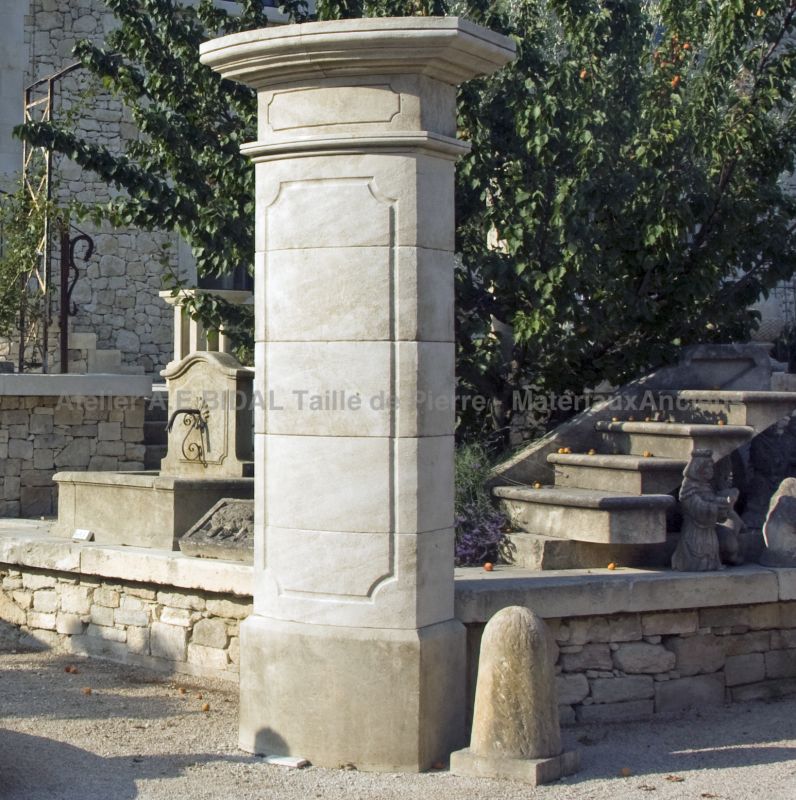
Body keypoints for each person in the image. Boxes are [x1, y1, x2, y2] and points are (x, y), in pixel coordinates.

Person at [672, 449, 736, 571]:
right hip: (694, 530)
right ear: (698, 469)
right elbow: (696, 506)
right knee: (697, 550)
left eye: (711, 467)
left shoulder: (706, 486)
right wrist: (715, 507)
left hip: (708, 530)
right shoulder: (688, 489)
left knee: (709, 548)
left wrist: (724, 502)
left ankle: (710, 565)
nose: (711, 471)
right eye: (707, 468)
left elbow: (710, 499)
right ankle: (693, 565)